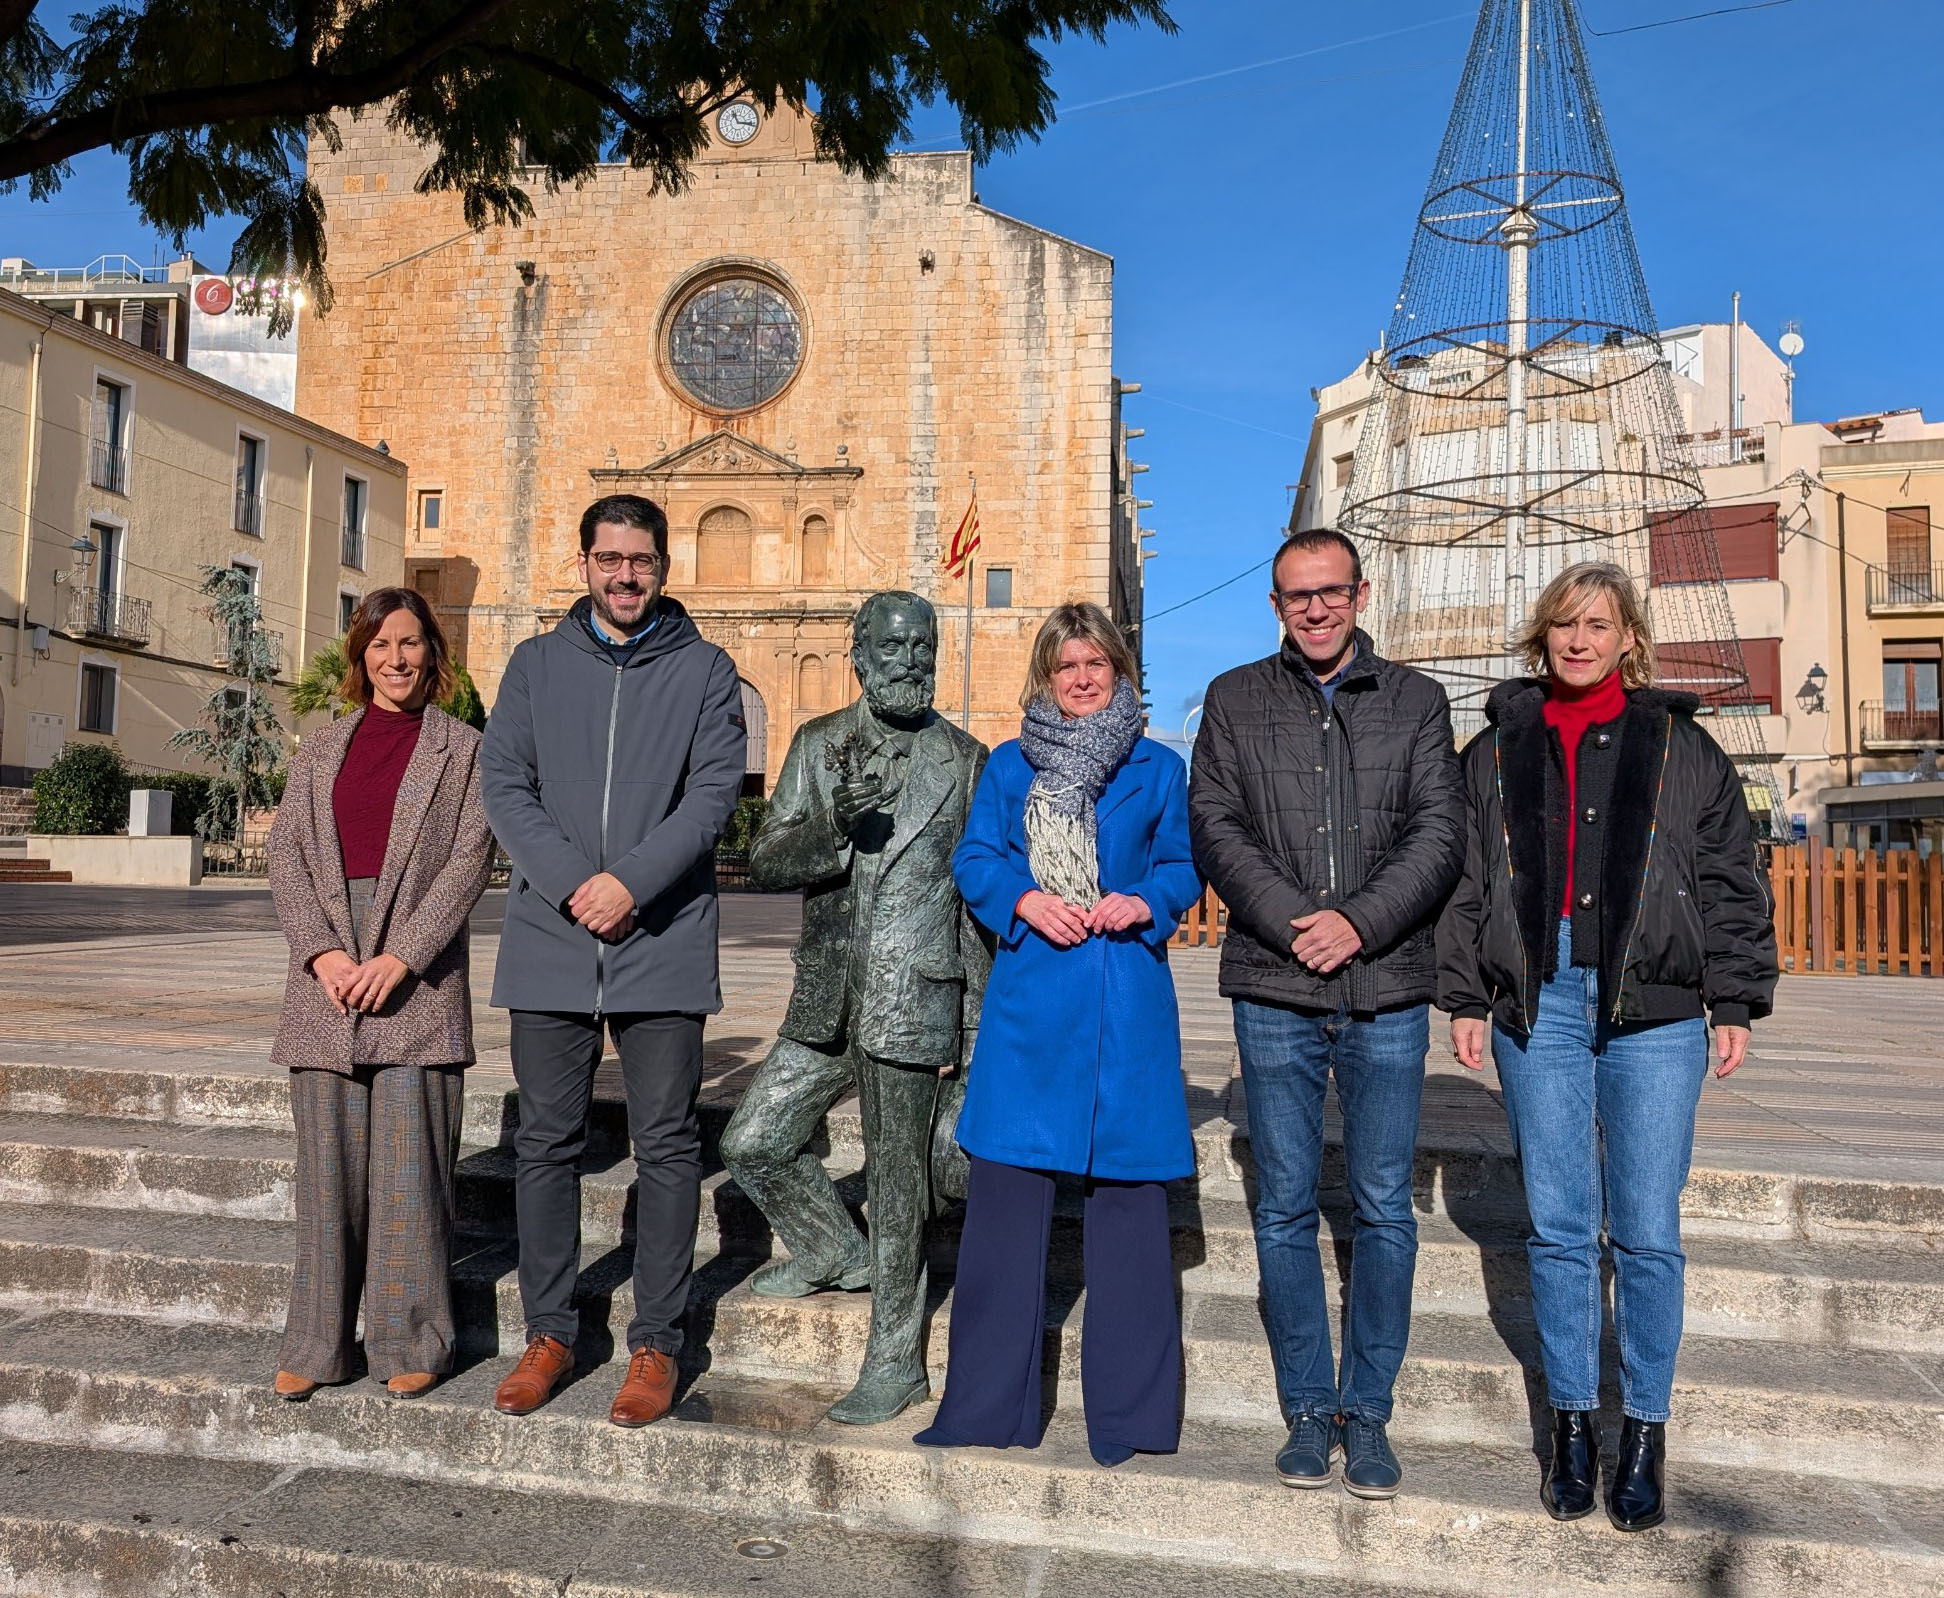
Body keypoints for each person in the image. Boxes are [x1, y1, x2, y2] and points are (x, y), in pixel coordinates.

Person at [1437, 561, 1777, 1533]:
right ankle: (1574, 1424)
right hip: (1538, 1006)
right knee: (1556, 1224)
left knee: (1647, 1232)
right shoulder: (1500, 747)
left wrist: (1735, 1000)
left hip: (1658, 1014)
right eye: (1563, 624)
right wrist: (1463, 990)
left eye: (1598, 622)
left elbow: (1728, 874)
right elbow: (1468, 879)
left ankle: (1644, 1433)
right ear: (1542, 637)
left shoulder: (1681, 744)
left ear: (1630, 635)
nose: (1580, 639)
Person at [1188, 528, 1464, 1499]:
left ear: (1358, 592)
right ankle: (1308, 1404)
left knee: (1386, 1204)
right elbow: (1215, 825)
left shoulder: (1418, 702)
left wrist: (1357, 922)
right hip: (1275, 984)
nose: (1315, 608)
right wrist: (1295, 921)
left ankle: (1369, 1411)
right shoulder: (1233, 699)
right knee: (1282, 1203)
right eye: (1296, 595)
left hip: (1386, 988)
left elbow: (1440, 833)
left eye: (1330, 592)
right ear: (1275, 603)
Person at [914, 601, 1202, 1468]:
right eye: (1065, 666)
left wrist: (1145, 901)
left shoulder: (1157, 768)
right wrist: (1026, 900)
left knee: (1132, 1222)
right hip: (1033, 1006)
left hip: (1125, 1010)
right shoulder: (1010, 766)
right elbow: (977, 858)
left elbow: (1183, 865)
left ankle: (1134, 1421)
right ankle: (987, 1409)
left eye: (1096, 665)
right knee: (1003, 1217)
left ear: (1120, 670)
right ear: (1045, 676)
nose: (1081, 679)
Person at [481, 493, 746, 1428]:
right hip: (552, 935)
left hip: (661, 935)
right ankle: (551, 1333)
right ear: (584, 562)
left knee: (668, 1148)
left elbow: (714, 797)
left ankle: (656, 1344)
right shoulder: (534, 664)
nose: (624, 574)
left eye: (640, 559)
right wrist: (572, 884)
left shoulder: (708, 673)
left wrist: (628, 885)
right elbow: (503, 784)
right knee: (545, 1144)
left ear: (664, 566)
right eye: (607, 558)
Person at [720, 591, 989, 1425]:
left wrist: (978, 1038)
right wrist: (836, 823)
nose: (910, 662)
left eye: (923, 647)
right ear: (860, 654)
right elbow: (766, 858)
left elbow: (976, 909)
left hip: (916, 992)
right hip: (830, 994)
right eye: (893, 647)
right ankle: (839, 1250)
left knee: (902, 1185)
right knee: (753, 1140)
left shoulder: (967, 759)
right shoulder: (817, 744)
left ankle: (896, 1361)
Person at [267, 587, 494, 1402]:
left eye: (410, 644)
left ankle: (413, 1339)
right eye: (379, 645)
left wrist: (399, 958)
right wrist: (321, 953)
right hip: (326, 979)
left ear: (433, 653)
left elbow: (469, 861)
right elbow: (286, 857)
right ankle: (318, 1342)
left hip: (417, 979)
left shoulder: (463, 749)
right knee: (325, 1176)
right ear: (359, 658)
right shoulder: (321, 749)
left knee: (410, 1175)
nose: (396, 659)